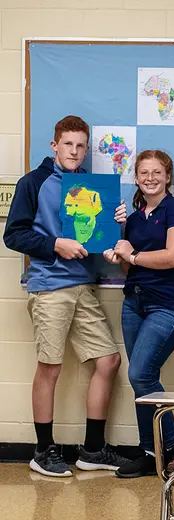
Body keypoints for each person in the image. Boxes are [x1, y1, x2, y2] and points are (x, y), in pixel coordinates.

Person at [3, 115, 130, 477]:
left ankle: (93, 450)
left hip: (84, 285)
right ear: (54, 145)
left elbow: (97, 237)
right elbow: (13, 235)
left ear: (87, 149)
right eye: (68, 144)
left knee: (108, 361)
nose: (74, 151)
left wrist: (116, 224)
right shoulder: (34, 182)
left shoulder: (89, 185)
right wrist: (55, 244)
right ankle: (43, 451)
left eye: (80, 146)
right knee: (51, 366)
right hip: (49, 286)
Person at [102, 150, 174, 478]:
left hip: (167, 305)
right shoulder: (133, 218)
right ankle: (148, 452)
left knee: (141, 374)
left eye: (157, 172)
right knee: (140, 378)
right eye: (144, 173)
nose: (150, 178)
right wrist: (119, 255)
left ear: (167, 177)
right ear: (137, 178)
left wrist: (133, 255)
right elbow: (128, 267)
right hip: (134, 304)